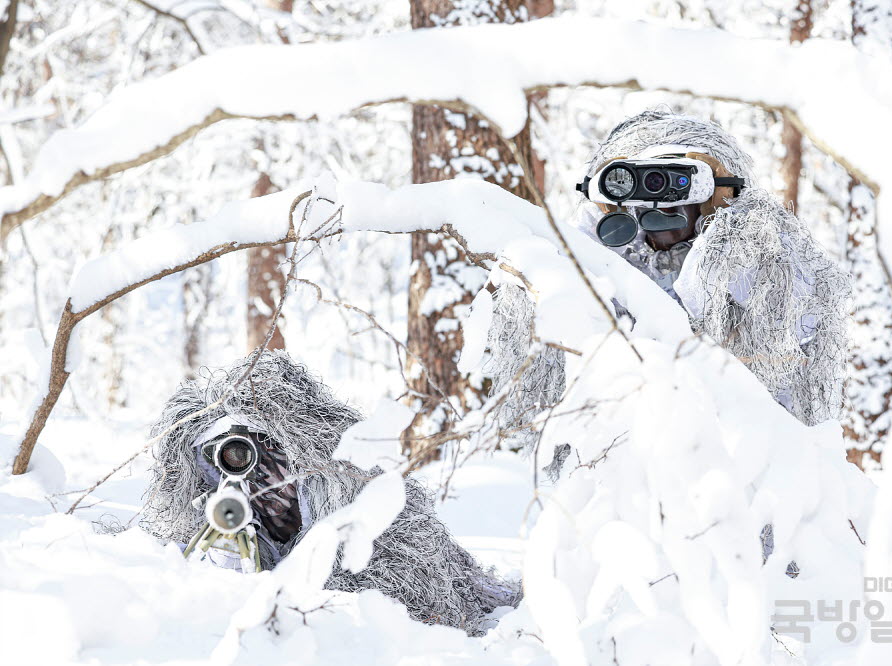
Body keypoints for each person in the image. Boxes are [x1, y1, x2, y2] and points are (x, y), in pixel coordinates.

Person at [140, 350, 519, 636]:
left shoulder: (369, 506)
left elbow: (412, 613)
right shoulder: (203, 511)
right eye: (227, 455)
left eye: (265, 448)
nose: (257, 472)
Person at [577, 108, 852, 426]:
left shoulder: (759, 249)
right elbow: (568, 307)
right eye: (639, 184)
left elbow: (800, 321)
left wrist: (729, 231)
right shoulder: (615, 250)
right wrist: (589, 227)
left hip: (744, 435)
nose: (659, 199)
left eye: (679, 183)